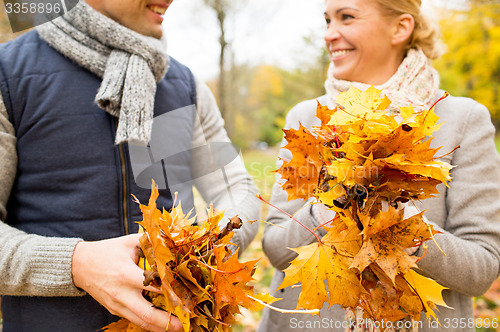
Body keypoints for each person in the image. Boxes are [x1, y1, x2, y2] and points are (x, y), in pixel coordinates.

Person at [0, 0, 260, 331]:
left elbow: (235, 187)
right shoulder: (8, 75)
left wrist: (208, 244)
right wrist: (76, 265)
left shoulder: (185, 86)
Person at [258, 0, 500, 331]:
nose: (330, 33)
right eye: (327, 20)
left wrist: (400, 224)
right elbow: (275, 248)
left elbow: (482, 269)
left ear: (400, 27)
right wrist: (322, 214)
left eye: (346, 17)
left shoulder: (461, 120)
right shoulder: (307, 119)